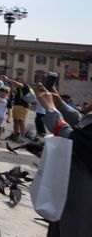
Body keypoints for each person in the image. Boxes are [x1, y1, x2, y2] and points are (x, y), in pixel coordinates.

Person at [35, 83, 92, 237]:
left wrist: (52, 110)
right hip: (70, 188)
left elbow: (77, 141)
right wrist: (59, 104)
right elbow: (84, 124)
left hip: (83, 196)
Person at [2, 75, 31, 141]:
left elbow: (17, 84)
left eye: (18, 79)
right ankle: (15, 135)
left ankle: (23, 137)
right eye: (16, 79)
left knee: (21, 121)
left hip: (22, 106)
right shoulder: (19, 89)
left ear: (22, 80)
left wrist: (8, 80)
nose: (16, 80)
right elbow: (14, 89)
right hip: (17, 105)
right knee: (16, 120)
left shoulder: (24, 85)